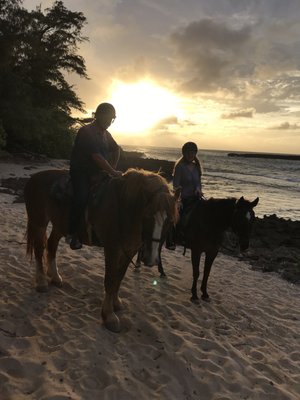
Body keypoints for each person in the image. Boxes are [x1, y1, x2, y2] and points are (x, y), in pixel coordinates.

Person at [67, 102, 122, 250]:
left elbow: (116, 150)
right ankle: (73, 233)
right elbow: (96, 157)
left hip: (99, 172)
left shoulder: (106, 134)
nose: (109, 122)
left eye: (112, 119)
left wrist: (113, 167)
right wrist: (113, 172)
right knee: (82, 197)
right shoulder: (86, 131)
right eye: (107, 118)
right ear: (98, 116)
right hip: (81, 172)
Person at [166, 141, 203, 250]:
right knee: (177, 217)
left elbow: (198, 184)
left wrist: (198, 190)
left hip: (195, 198)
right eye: (189, 153)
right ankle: (171, 239)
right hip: (183, 198)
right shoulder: (180, 167)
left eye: (193, 153)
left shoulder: (197, 167)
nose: (191, 155)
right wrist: (179, 199)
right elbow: (176, 185)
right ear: (184, 153)